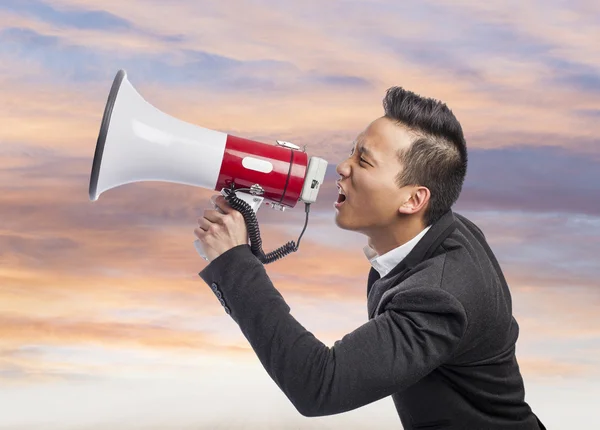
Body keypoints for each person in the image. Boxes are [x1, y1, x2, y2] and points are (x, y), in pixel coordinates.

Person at [194, 87, 546, 429]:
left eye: (364, 161)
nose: (342, 168)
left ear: (413, 200)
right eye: (352, 152)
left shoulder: (440, 296)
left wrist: (235, 263)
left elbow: (319, 386)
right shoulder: (444, 230)